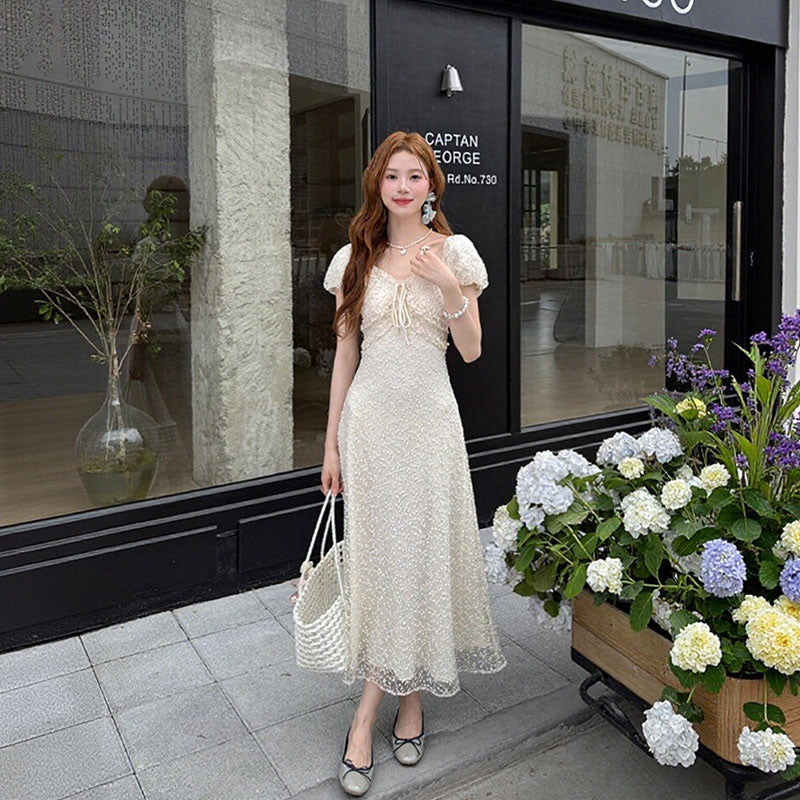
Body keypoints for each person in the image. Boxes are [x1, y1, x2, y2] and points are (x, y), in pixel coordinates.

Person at [320, 131, 507, 796]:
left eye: (415, 175)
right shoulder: (354, 258)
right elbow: (345, 356)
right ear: (378, 183)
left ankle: (380, 713)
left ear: (431, 185)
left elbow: (473, 350)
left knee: (419, 557)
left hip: (430, 426)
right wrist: (331, 444)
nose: (403, 186)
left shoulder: (455, 252)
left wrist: (448, 284)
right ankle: (400, 705)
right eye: (392, 175)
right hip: (370, 427)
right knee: (382, 561)